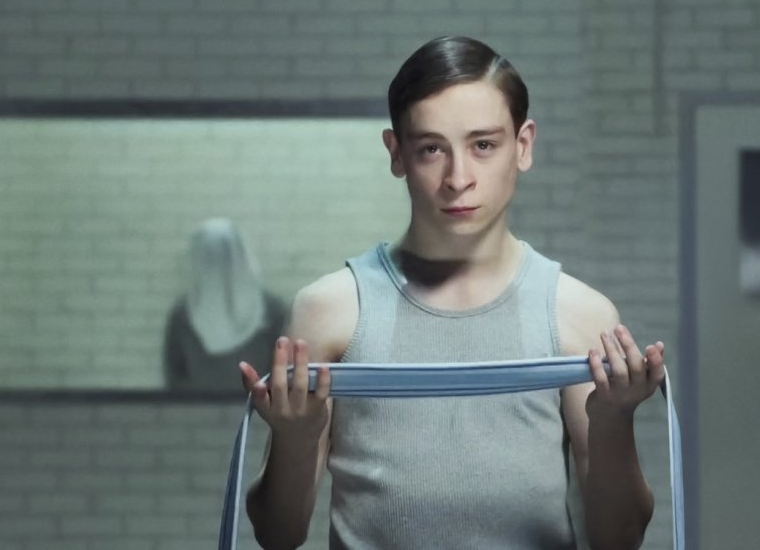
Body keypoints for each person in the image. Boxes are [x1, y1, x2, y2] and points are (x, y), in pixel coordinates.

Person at [239, 36, 666, 549]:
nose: (458, 178)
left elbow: (620, 540)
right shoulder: (330, 311)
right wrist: (296, 437)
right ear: (396, 153)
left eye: (483, 145)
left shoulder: (579, 315)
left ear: (523, 146)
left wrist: (614, 420)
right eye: (431, 149)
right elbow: (277, 536)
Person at [165, 217, 287, 395]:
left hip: (257, 408)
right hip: (198, 409)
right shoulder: (183, 315)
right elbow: (175, 376)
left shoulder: (270, 311)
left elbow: (282, 371)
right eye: (209, 257)